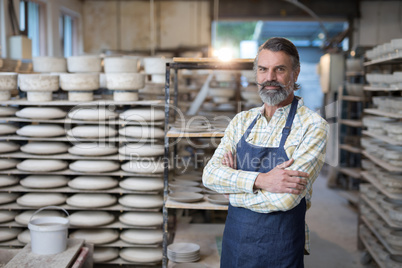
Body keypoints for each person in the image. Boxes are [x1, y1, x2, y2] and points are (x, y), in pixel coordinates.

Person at [202, 37, 329, 268]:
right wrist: (262, 180)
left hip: (280, 249)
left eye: (279, 69)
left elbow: (286, 198)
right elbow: (210, 175)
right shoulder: (242, 121)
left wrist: (233, 190)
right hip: (235, 245)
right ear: (256, 74)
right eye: (263, 69)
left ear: (295, 74)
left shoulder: (313, 126)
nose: (270, 77)